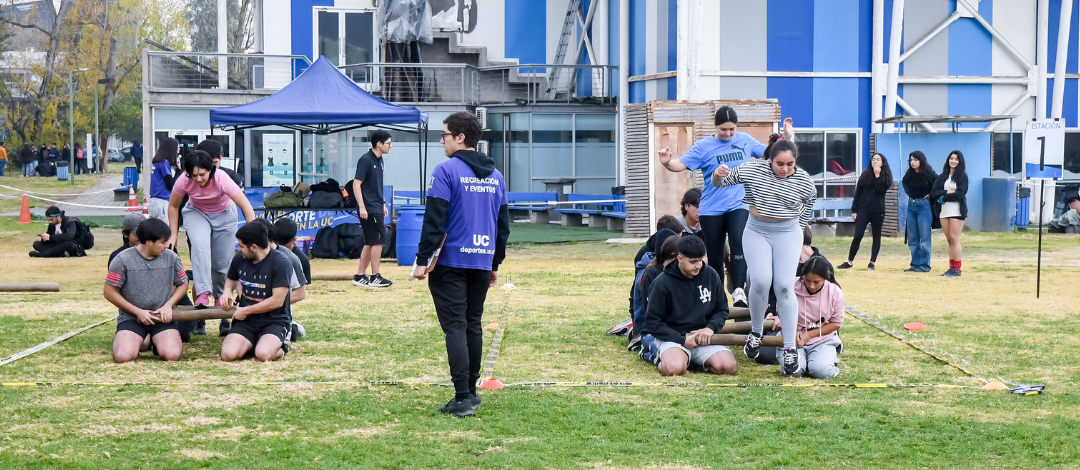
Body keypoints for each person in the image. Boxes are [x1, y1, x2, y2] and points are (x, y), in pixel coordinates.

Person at [411, 111, 510, 418]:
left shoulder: (445, 171)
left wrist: (421, 261)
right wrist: (494, 262)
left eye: (445, 135)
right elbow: (502, 226)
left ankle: (462, 397)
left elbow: (434, 221)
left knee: (455, 326)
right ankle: (472, 393)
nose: (442, 141)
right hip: (481, 262)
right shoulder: (497, 176)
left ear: (460, 137)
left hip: (451, 261)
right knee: (472, 324)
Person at [657, 107, 796, 309]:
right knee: (715, 254)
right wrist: (667, 162)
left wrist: (786, 136)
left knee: (740, 241)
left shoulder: (745, 140)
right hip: (711, 208)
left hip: (739, 203)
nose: (728, 133)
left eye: (732, 129)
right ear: (716, 125)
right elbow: (680, 165)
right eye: (724, 129)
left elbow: (771, 155)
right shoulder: (704, 146)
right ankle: (716, 295)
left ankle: (738, 290)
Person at [712, 138, 817, 376]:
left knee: (783, 286)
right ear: (770, 159)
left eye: (790, 164)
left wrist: (799, 228)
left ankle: (790, 348)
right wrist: (717, 175)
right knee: (759, 281)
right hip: (757, 229)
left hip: (788, 231)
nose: (785, 169)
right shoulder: (752, 170)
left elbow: (810, 201)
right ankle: (756, 332)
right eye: (780, 163)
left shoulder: (804, 180)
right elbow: (720, 183)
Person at [167, 150, 257, 308]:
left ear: (211, 169)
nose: (198, 179)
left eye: (202, 174)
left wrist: (255, 235)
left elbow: (245, 205)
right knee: (200, 246)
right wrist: (173, 234)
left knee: (222, 261)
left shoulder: (221, 178)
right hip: (196, 212)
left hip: (224, 214)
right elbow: (173, 206)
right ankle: (202, 292)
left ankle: (219, 294)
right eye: (194, 175)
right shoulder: (184, 180)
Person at [641, 235, 736, 376]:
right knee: (673, 369)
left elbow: (721, 309)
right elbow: (653, 322)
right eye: (693, 262)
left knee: (728, 368)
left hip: (704, 337)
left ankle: (690, 360)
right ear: (680, 259)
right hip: (673, 338)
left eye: (700, 260)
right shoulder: (662, 283)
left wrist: (710, 328)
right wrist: (682, 340)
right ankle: (662, 357)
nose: (698, 265)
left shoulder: (711, 275)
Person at [105, 218, 190, 363]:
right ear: (149, 242)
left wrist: (168, 306)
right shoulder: (122, 259)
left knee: (172, 355)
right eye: (163, 242)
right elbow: (109, 292)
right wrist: (137, 311)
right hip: (132, 318)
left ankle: (149, 339)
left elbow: (184, 284)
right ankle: (143, 339)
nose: (167, 245)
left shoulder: (172, 258)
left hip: (162, 318)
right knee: (123, 357)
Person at [220, 223, 294, 362]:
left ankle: (283, 343)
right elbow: (231, 278)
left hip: (274, 320)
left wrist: (246, 310)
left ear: (254, 247)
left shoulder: (281, 262)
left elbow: (277, 301)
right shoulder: (240, 258)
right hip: (246, 321)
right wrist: (227, 291)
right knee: (228, 355)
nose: (239, 249)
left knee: (263, 355)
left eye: (241, 246)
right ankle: (255, 342)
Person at [769, 256, 844, 378]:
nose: (811, 286)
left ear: (825, 278)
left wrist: (809, 334)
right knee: (792, 372)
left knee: (822, 372)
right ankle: (808, 363)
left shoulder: (835, 292)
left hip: (822, 339)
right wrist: (794, 331)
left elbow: (836, 323)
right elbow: (781, 312)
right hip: (791, 338)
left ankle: (826, 362)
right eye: (807, 281)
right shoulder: (790, 287)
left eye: (816, 282)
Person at [350, 130, 392, 288]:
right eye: (388, 143)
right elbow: (356, 184)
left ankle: (360, 276)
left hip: (376, 205)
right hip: (369, 208)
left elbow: (377, 185)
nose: (390, 146)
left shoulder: (380, 160)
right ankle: (375, 276)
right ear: (379, 144)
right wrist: (362, 206)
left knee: (370, 242)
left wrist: (383, 203)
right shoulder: (366, 160)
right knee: (379, 241)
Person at [838, 153, 893, 271]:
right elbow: (858, 193)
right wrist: (855, 209)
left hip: (878, 210)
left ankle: (872, 262)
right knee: (858, 235)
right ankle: (849, 261)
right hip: (863, 209)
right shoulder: (865, 175)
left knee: (876, 236)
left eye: (878, 159)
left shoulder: (886, 177)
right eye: (873, 159)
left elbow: (880, 191)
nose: (875, 161)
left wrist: (878, 175)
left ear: (882, 162)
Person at [628, 233, 680, 352]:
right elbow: (651, 313)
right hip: (650, 326)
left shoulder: (679, 272)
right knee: (670, 353)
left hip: (672, 325)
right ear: (674, 254)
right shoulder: (652, 273)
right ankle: (645, 350)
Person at [931, 150, 968, 277]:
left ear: (960, 162)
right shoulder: (943, 176)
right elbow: (934, 192)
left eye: (956, 159)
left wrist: (944, 197)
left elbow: (960, 194)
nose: (953, 161)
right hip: (944, 211)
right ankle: (951, 267)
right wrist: (947, 192)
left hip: (956, 211)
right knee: (949, 240)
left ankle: (957, 269)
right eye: (951, 158)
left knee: (954, 238)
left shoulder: (962, 176)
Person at [902, 151, 937, 273]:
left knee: (924, 237)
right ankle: (915, 264)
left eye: (915, 160)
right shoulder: (909, 174)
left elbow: (938, 184)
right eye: (911, 160)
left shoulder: (929, 173)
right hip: (911, 205)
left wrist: (931, 195)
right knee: (912, 237)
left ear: (921, 161)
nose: (913, 162)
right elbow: (904, 182)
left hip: (923, 205)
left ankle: (924, 265)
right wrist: (910, 194)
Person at [149, 138, 180, 224]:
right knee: (163, 231)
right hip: (161, 201)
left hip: (156, 200)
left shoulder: (158, 162)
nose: (178, 152)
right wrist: (178, 171)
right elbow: (170, 184)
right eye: (176, 149)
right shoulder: (164, 163)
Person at [274, 217, 311, 285]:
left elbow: (303, 289)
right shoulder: (266, 252)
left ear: (294, 240)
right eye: (277, 244)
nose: (280, 248)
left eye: (283, 245)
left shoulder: (302, 260)